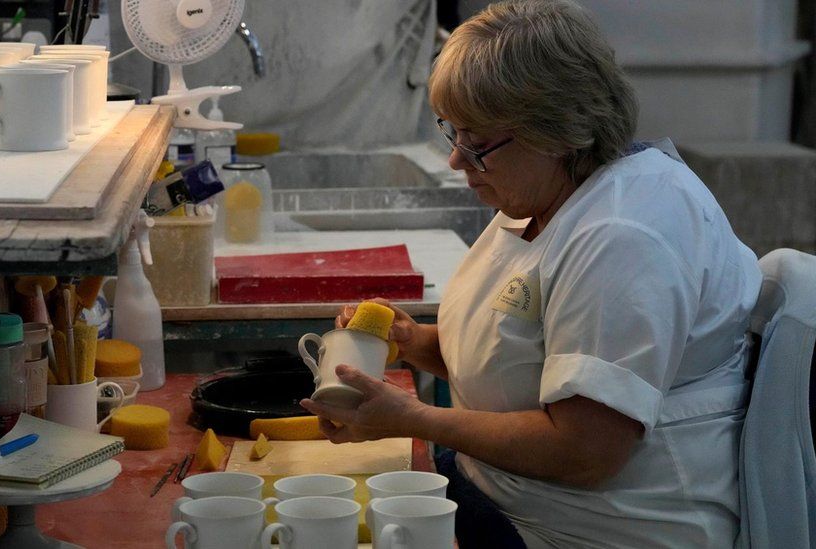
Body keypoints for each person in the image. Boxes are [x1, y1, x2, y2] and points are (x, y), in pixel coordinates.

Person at [300, 1, 763, 548]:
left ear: (560, 129)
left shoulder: (623, 235)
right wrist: (414, 342)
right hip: (502, 491)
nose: (456, 161)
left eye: (477, 144)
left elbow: (586, 451)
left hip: (592, 529)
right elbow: (519, 360)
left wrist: (413, 419)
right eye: (453, 132)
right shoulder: (545, 192)